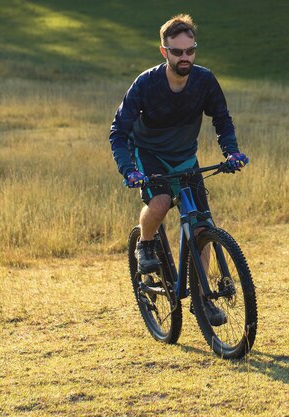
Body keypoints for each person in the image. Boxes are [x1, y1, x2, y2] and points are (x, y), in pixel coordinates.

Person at [108, 14, 248, 323]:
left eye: (190, 51)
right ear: (164, 51)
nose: (184, 57)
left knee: (201, 228)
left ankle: (202, 300)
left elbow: (222, 119)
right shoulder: (146, 84)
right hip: (150, 157)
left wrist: (232, 151)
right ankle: (145, 245)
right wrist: (129, 170)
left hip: (186, 158)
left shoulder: (204, 80)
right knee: (159, 202)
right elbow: (118, 132)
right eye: (177, 52)